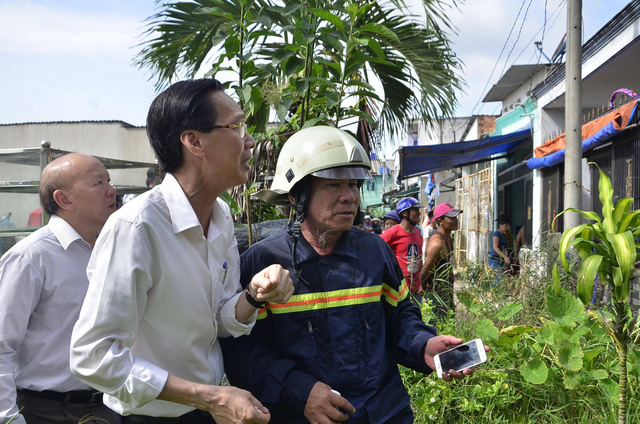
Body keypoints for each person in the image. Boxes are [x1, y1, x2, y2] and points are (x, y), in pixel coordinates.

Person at [220, 126, 486, 423]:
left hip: (384, 412)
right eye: (334, 185)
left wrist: (422, 344)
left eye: (354, 185)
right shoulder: (262, 263)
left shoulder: (374, 253)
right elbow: (240, 351)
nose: (349, 197)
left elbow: (400, 317)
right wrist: (300, 390)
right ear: (298, 196)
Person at [69, 79, 293, 424]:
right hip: (148, 417)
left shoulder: (218, 217)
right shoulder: (137, 227)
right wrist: (212, 396)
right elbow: (93, 355)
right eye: (236, 127)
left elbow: (216, 320)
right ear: (194, 141)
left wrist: (254, 294)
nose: (249, 141)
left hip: (202, 412)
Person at [0, 153, 120, 424]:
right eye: (99, 183)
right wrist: (7, 419)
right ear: (64, 199)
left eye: (109, 181)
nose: (112, 190)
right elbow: (1, 346)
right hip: (44, 411)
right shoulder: (31, 257)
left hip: (109, 408)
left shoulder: (113, 249)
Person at [420, 202, 462, 319]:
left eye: (456, 217)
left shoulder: (448, 238)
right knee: (439, 330)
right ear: (440, 221)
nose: (456, 220)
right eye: (451, 217)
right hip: (437, 295)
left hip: (446, 292)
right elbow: (425, 271)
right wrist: (424, 287)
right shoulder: (437, 244)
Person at [381, 197, 424, 296]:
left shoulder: (418, 233)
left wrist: (420, 282)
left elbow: (420, 259)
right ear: (404, 213)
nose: (419, 213)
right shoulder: (392, 232)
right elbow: (376, 252)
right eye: (415, 210)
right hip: (398, 289)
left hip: (415, 289)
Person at [488, 215, 514, 284]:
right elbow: (495, 247)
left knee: (502, 280)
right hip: (495, 260)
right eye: (505, 225)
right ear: (500, 225)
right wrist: (505, 257)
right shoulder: (496, 234)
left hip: (500, 261)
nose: (507, 227)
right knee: (498, 280)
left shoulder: (504, 234)